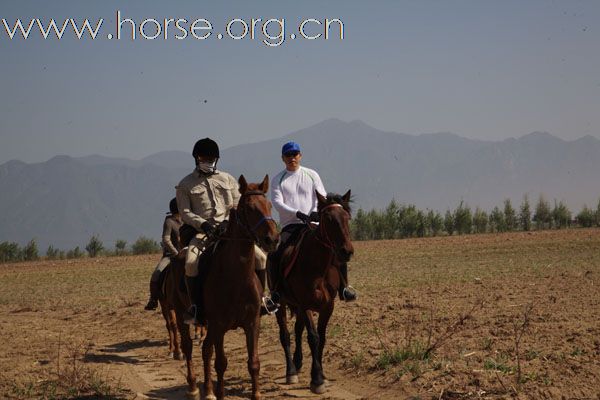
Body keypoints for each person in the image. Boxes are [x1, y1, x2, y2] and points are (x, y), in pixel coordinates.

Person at [176, 138, 277, 325]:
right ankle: (196, 307)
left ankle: (262, 300)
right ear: (197, 159)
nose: (208, 161)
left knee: (261, 258)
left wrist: (229, 221)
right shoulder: (185, 184)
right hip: (204, 232)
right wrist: (203, 224)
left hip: (230, 230)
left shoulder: (228, 179)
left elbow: (239, 204)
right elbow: (185, 212)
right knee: (190, 262)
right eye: (204, 158)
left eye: (212, 158)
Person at [270, 141, 357, 301]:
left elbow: (321, 196)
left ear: (300, 156)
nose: (292, 158)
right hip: (291, 226)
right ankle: (276, 292)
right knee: (276, 255)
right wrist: (299, 214)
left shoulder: (312, 174)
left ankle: (344, 288)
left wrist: (314, 215)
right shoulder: (278, 179)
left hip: (314, 224)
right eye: (288, 155)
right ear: (282, 158)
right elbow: (278, 203)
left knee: (336, 248)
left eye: (295, 154)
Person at [144, 198, 182, 311]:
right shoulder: (169, 221)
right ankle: (153, 299)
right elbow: (166, 240)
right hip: (170, 256)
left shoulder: (187, 220)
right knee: (156, 274)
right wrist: (176, 253)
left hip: (187, 253)